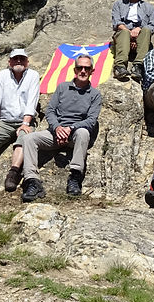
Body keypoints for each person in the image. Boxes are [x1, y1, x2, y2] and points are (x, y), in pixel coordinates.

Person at [20, 55, 102, 202]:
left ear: (92, 71)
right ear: (75, 70)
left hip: (75, 134)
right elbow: (50, 111)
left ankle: (75, 177)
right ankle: (32, 181)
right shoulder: (62, 87)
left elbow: (91, 120)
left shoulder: (95, 95)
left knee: (83, 133)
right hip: (55, 132)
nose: (83, 71)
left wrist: (71, 128)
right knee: (28, 138)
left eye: (87, 68)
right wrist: (57, 128)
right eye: (80, 67)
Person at [0, 48, 40, 201]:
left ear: (27, 62)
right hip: (5, 121)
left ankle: (13, 174)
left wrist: (26, 123)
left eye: (22, 59)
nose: (18, 61)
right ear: (9, 62)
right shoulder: (2, 76)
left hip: (25, 120)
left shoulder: (33, 75)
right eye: (15, 59)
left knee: (24, 138)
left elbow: (32, 101)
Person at [111, 0, 154, 81]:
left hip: (141, 37)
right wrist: (128, 32)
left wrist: (139, 29)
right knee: (124, 32)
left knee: (146, 29)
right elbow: (116, 23)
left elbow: (152, 25)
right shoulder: (119, 4)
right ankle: (120, 66)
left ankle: (138, 66)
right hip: (123, 35)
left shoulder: (149, 7)